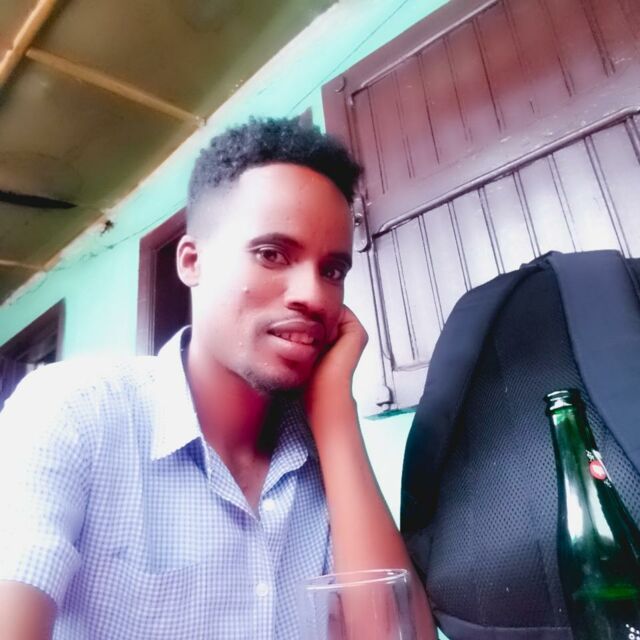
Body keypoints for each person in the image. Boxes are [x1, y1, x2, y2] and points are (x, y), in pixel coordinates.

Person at [0, 117, 434, 639]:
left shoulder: (320, 455)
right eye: (272, 254)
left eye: (332, 270)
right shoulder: (73, 411)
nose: (315, 297)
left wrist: (335, 411)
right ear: (192, 261)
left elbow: (395, 634)